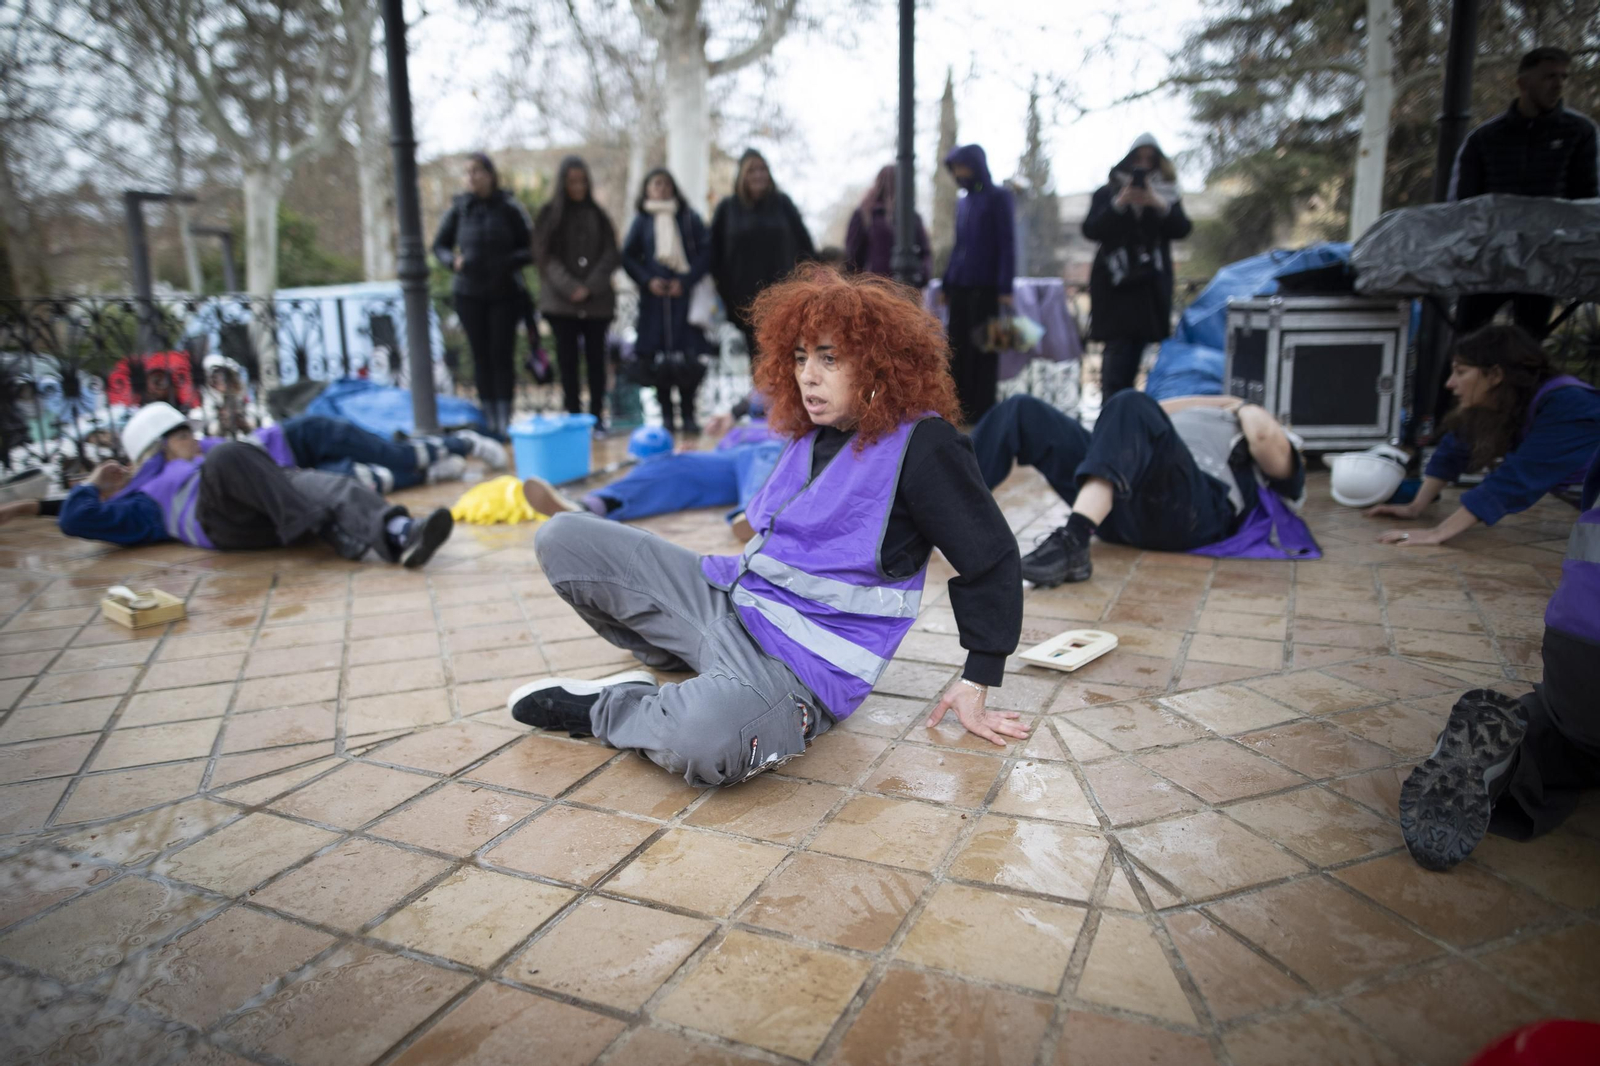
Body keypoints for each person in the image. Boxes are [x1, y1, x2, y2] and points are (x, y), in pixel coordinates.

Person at [510, 266, 1025, 788]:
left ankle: (616, 706)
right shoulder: (812, 430)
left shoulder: (925, 446)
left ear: (878, 363)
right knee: (563, 537)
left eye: (829, 358)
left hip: (797, 668)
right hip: (725, 597)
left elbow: (992, 558)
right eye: (801, 358)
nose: (808, 375)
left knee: (708, 743)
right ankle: (673, 659)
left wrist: (979, 676)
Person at [1399, 453, 1600, 871]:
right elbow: (1520, 471)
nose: (1450, 381)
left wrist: (1428, 517)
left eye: (1456, 378)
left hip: (1575, 654)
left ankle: (1517, 752)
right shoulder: (1576, 403)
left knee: (1570, 732)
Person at [0, 403, 454, 566]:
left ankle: (401, 535)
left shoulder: (210, 455)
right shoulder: (139, 501)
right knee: (227, 455)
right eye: (180, 436)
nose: (192, 439)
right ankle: (317, 524)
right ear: (154, 451)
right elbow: (78, 516)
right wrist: (94, 483)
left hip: (272, 506)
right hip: (224, 525)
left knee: (327, 486)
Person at [971, 390, 1307, 586]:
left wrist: (1245, 405)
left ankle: (1073, 539)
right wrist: (1220, 400)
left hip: (1192, 515)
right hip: (1120, 504)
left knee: (1130, 402)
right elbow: (1156, 407)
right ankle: (947, 508)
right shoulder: (1186, 416)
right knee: (1022, 410)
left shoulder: (1262, 430)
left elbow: (1267, 440)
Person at [1368, 326, 1600, 548]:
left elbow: (1519, 478)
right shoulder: (1508, 404)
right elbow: (1455, 448)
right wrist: (1415, 507)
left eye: (1461, 372)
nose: (1450, 383)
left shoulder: (1570, 404)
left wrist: (1438, 533)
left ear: (1496, 374)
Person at [1449, 47, 1599, 338]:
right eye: (1549, 77)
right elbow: (1464, 205)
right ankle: (1451, 384)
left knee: (1529, 345)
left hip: (1545, 261)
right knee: (1466, 340)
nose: (1558, 85)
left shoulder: (1580, 132)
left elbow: (1586, 202)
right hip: (1489, 262)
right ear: (1522, 83)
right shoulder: (1485, 138)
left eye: (1563, 77)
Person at [1082, 133, 1192, 401]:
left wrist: (1158, 203)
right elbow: (1092, 229)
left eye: (1150, 160)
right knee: (1115, 358)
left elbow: (1182, 228)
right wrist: (1120, 203)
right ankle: (1111, 417)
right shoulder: (1107, 194)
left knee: (1139, 360)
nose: (1143, 164)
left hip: (1148, 291)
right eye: (1138, 159)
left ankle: (1130, 417)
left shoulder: (1167, 195)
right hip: (1115, 289)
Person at [432, 152, 533, 438]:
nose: (472, 177)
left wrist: (507, 260)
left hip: (505, 293)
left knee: (502, 354)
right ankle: (488, 419)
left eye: (477, 171)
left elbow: (531, 248)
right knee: (481, 356)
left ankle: (505, 418)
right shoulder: (459, 209)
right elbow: (439, 246)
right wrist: (454, 262)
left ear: (490, 175)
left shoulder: (509, 208)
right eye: (467, 172)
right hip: (470, 294)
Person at [621, 168, 712, 435]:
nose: (661, 189)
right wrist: (648, 281)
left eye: (666, 184)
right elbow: (628, 256)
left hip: (684, 301)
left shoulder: (688, 218)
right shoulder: (642, 221)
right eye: (656, 184)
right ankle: (667, 418)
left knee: (688, 360)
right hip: (654, 304)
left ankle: (689, 413)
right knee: (658, 363)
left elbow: (707, 252)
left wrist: (684, 281)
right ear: (647, 189)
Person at [534, 155, 620, 429]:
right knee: (568, 362)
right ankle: (573, 418)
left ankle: (596, 417)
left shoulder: (599, 216)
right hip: (561, 304)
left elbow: (610, 254)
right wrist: (571, 287)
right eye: (572, 182)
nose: (578, 187)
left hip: (597, 304)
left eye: (582, 181)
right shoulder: (549, 215)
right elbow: (545, 258)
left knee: (597, 362)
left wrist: (590, 286)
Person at [710, 149, 815, 359]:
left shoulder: (783, 204)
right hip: (741, 303)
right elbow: (713, 254)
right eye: (752, 170)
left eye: (763, 169)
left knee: (783, 359)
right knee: (754, 361)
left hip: (783, 298)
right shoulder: (727, 209)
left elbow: (806, 247)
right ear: (742, 175)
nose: (758, 175)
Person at [939, 144, 1016, 425]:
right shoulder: (963, 202)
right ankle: (958, 408)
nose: (958, 173)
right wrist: (948, 283)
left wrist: (1005, 289)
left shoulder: (999, 198)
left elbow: (1007, 244)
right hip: (961, 287)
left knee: (985, 350)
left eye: (962, 166)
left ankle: (983, 413)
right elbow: (960, 246)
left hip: (988, 290)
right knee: (958, 347)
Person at [845, 164, 932, 284]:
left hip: (891, 288)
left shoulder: (911, 216)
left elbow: (852, 256)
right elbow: (853, 257)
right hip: (882, 290)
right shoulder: (865, 214)